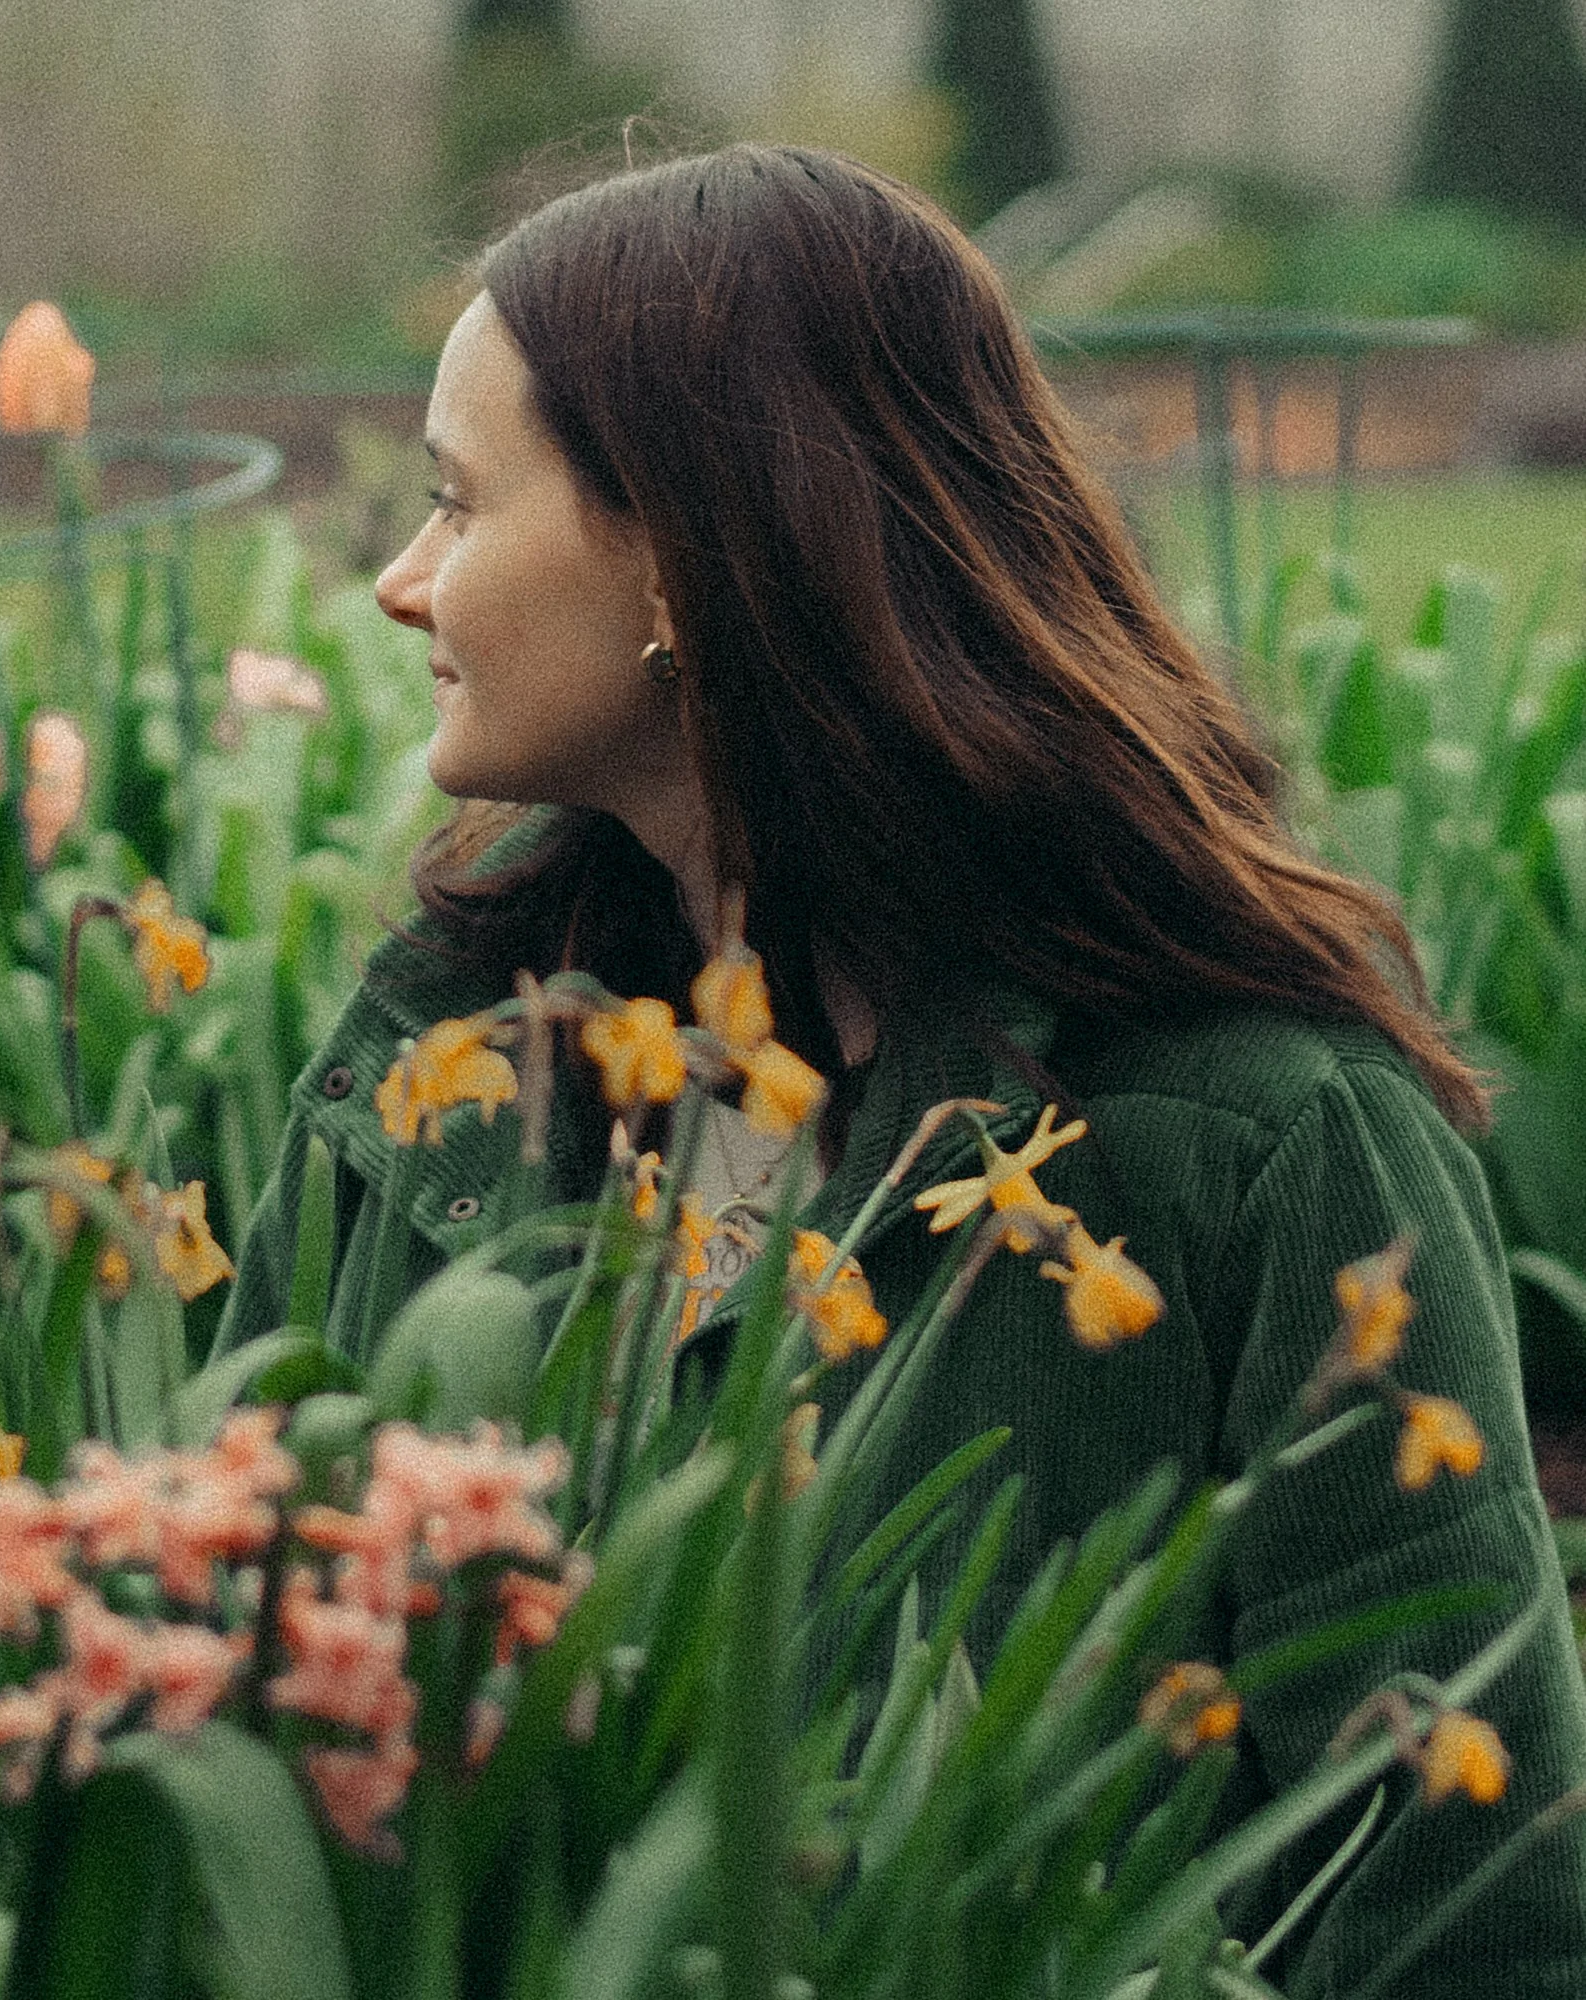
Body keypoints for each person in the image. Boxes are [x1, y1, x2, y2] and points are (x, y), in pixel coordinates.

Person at [212, 145, 1586, 1994]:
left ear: (686, 560)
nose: (399, 580)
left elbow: (1457, 1914)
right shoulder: (436, 1076)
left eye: (458, 507)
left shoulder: (1260, 1140)